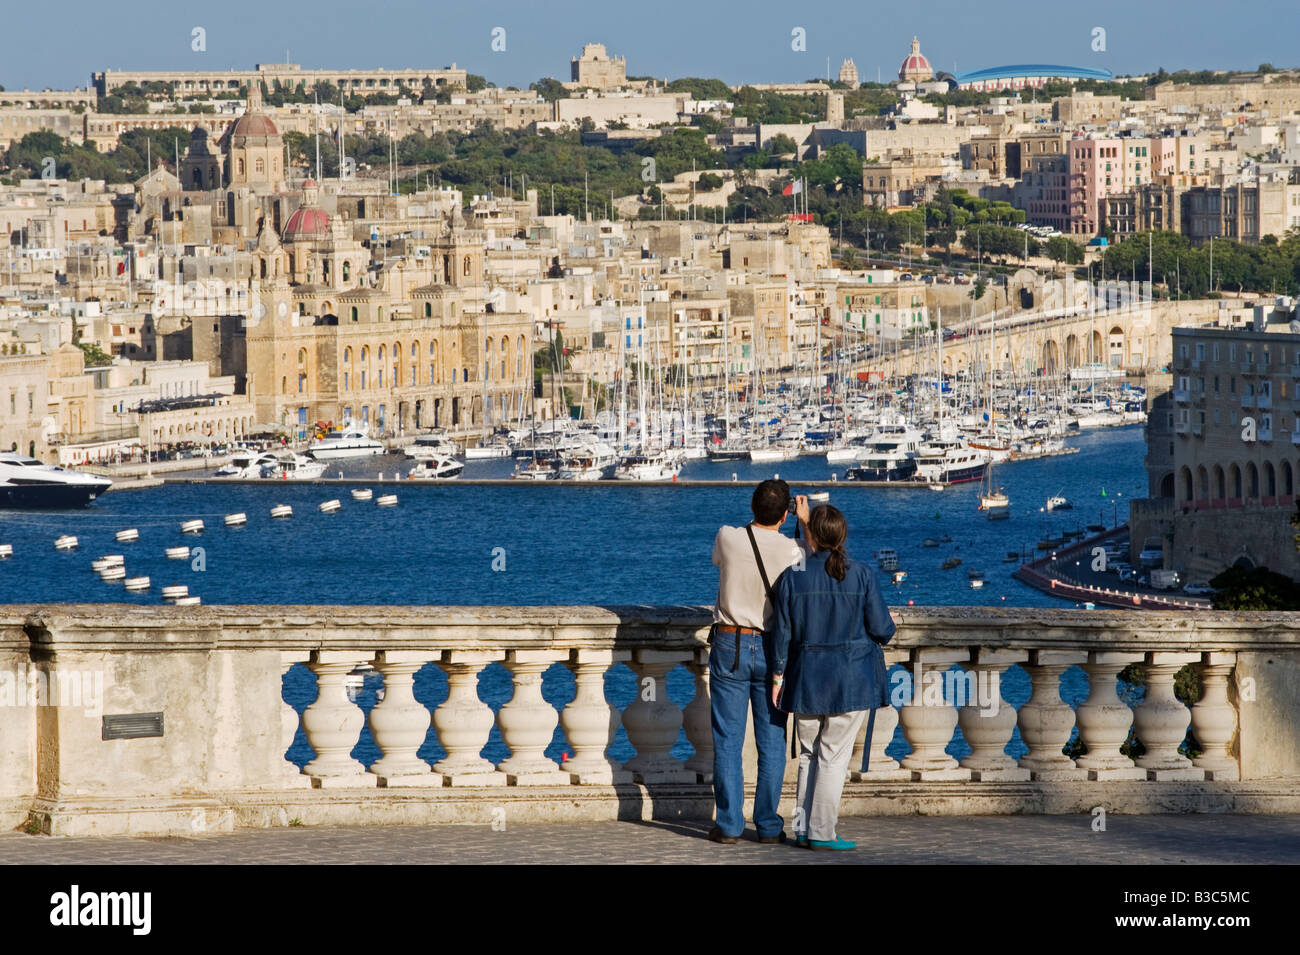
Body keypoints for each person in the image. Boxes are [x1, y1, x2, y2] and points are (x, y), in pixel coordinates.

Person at [768, 504, 896, 851]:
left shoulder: (792, 574)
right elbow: (883, 630)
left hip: (806, 676)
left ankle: (802, 829)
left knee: (808, 755)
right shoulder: (861, 573)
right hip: (850, 679)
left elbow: (781, 633)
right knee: (832, 757)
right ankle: (822, 832)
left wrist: (777, 676)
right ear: (841, 535)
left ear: (813, 535)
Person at [708, 478, 810, 844]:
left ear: (752, 507)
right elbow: (808, 561)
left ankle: (730, 824)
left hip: (730, 644)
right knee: (772, 741)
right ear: (785, 514)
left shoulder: (728, 537)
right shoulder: (792, 550)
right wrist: (806, 521)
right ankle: (767, 824)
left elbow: (719, 560)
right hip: (773, 650)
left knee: (728, 740)